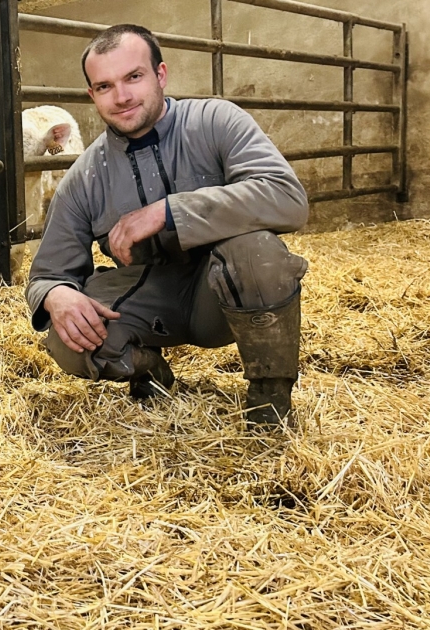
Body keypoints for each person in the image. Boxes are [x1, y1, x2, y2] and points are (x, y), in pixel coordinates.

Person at [25, 24, 310, 428]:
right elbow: (47, 274)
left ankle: (269, 399)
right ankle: (146, 371)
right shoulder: (85, 175)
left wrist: (168, 212)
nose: (121, 97)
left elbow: (287, 198)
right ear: (92, 96)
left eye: (134, 77)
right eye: (104, 86)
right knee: (65, 339)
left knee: (257, 250)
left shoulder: (215, 121)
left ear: (160, 75)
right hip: (152, 299)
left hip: (225, 297)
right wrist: (57, 296)